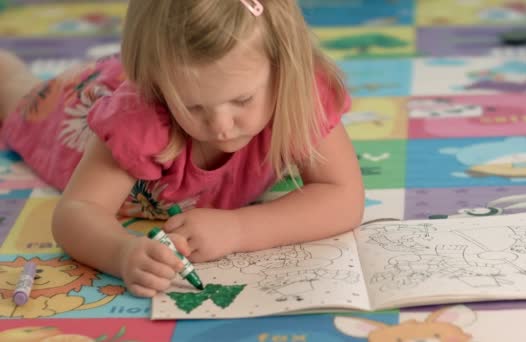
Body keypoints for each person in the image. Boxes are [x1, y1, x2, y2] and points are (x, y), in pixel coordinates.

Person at [0, 0, 364, 297]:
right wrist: (122, 252)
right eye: (193, 107)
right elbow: (76, 211)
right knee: (16, 90)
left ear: (284, 66)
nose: (221, 126)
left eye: (242, 99)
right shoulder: (137, 119)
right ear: (159, 89)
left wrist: (239, 229)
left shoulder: (299, 91)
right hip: (72, 116)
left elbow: (343, 195)